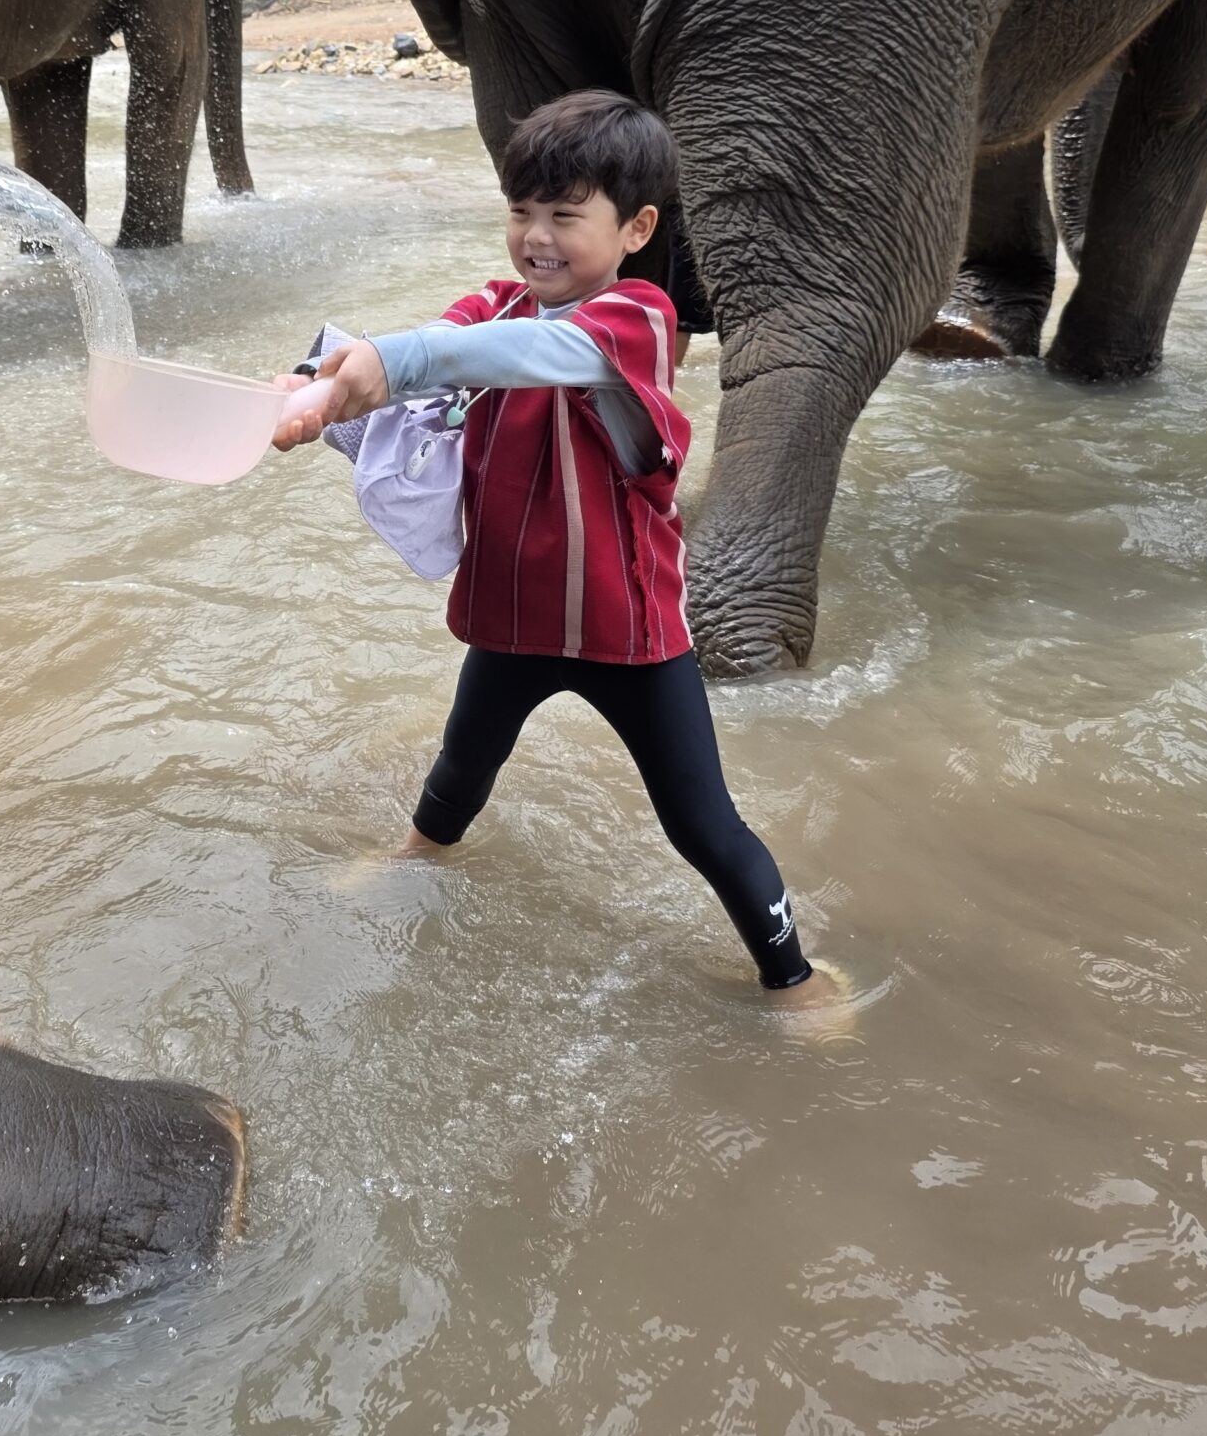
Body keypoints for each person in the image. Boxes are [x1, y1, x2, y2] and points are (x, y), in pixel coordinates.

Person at [274, 89, 829, 1002]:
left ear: (636, 228)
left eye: (566, 215)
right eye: (521, 210)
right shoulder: (500, 303)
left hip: (628, 632)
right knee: (461, 762)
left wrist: (400, 359)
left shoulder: (639, 321)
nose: (537, 235)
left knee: (701, 822)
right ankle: (416, 855)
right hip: (512, 612)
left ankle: (795, 979)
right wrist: (312, 386)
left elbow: (503, 358)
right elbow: (438, 351)